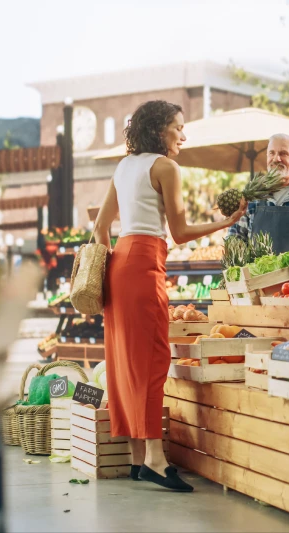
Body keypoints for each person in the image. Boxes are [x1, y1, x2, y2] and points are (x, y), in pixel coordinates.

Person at [93, 101, 246, 491]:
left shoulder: (125, 166)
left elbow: (100, 228)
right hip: (144, 262)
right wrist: (225, 222)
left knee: (125, 361)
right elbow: (178, 232)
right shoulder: (165, 167)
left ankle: (137, 459)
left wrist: (115, 260)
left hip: (120, 263)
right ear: (160, 129)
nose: (183, 134)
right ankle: (158, 462)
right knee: (153, 358)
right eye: (178, 127)